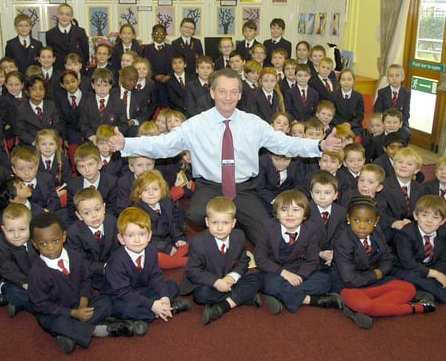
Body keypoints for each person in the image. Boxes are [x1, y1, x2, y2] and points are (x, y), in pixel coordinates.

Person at [108, 68, 343, 246]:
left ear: (240, 94)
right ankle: (227, 223)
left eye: (233, 92)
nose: (227, 97)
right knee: (196, 214)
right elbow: (164, 144)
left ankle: (234, 222)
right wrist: (126, 144)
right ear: (212, 93)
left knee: (264, 233)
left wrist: (320, 145)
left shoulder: (253, 124)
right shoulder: (197, 124)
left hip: (244, 187)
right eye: (222, 91)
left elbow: (285, 144)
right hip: (210, 185)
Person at [28, 212, 144, 354]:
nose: (50, 247)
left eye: (55, 241)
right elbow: (41, 306)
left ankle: (70, 335)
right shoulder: (37, 273)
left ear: (63, 237)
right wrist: (73, 313)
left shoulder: (75, 256)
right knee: (56, 323)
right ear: (34, 244)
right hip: (58, 312)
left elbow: (85, 280)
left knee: (106, 301)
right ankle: (102, 330)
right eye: (43, 244)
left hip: (79, 304)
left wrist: (83, 303)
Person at [335, 196, 436, 330]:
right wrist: (377, 273)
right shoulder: (343, 241)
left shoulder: (376, 232)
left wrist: (378, 273)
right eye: (357, 220)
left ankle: (357, 310)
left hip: (372, 281)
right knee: (364, 304)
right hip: (349, 285)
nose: (362, 226)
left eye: (368, 221)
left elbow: (387, 259)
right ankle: (413, 308)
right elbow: (349, 279)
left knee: (409, 289)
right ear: (348, 219)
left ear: (376, 221)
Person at [254, 190, 342, 314]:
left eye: (296, 210)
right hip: (275, 271)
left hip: (298, 269)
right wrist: (284, 273)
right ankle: (313, 300)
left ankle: (281, 295)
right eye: (284, 210)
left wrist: (300, 276)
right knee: (269, 283)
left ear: (305, 214)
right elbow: (260, 258)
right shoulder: (268, 227)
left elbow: (312, 260)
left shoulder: (310, 228)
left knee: (324, 281)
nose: (290, 214)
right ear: (277, 214)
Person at [102, 207, 192, 324]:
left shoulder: (151, 250)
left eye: (142, 234)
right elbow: (123, 292)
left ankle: (160, 307)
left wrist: (164, 296)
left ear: (149, 236)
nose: (137, 240)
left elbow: (156, 276)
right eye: (131, 235)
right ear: (121, 239)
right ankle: (161, 310)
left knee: (172, 286)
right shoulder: (117, 261)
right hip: (120, 296)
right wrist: (151, 304)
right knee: (127, 309)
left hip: (142, 289)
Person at [180, 196, 261, 325]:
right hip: (209, 282)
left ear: (233, 223)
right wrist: (216, 282)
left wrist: (232, 277)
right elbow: (192, 271)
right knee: (200, 295)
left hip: (229, 279)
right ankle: (243, 297)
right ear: (207, 222)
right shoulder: (198, 243)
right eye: (215, 223)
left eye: (225, 223)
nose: (220, 228)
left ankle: (223, 306)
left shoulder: (239, 236)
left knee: (256, 279)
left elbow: (243, 261)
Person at [393, 195, 446, 304]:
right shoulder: (406, 233)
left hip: (429, 266)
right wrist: (435, 274)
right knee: (411, 277)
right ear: (416, 215)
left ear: (442, 221)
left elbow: (444, 259)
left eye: (435, 217)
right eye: (424, 215)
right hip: (406, 268)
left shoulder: (442, 233)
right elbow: (409, 264)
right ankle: (445, 291)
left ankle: (426, 290)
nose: (429, 221)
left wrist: (437, 272)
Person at [130, 170, 188, 269]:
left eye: (155, 189)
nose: (151, 193)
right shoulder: (137, 212)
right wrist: (165, 248)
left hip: (168, 239)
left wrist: (178, 237)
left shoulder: (167, 202)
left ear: (161, 192)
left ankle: (175, 256)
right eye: (145, 190)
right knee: (155, 258)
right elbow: (143, 237)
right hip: (151, 244)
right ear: (139, 194)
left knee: (191, 243)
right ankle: (180, 261)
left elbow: (174, 222)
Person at [67, 187, 119, 290]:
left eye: (97, 209)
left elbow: (118, 248)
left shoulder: (112, 222)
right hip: (89, 276)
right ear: (79, 215)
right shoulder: (73, 233)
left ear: (104, 208)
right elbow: (81, 262)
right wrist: (105, 268)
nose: (94, 215)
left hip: (114, 268)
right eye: (87, 213)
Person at [0, 203, 39, 317]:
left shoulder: (37, 237)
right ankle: (44, 311)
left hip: (38, 278)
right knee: (12, 292)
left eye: (22, 229)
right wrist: (25, 283)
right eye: (10, 231)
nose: (16, 235)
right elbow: (7, 269)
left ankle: (20, 304)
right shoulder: (0, 244)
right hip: (15, 281)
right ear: (3, 229)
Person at [67, 143, 118, 221]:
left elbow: (113, 210)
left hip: (106, 222)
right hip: (83, 225)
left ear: (99, 165)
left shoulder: (112, 183)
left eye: (90, 164)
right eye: (82, 166)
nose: (87, 170)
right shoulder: (73, 186)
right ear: (77, 168)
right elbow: (72, 212)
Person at [79, 68, 128, 142]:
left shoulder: (119, 103)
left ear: (110, 85)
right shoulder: (86, 103)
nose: (102, 89)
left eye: (105, 85)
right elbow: (83, 125)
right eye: (98, 85)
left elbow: (124, 125)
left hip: (112, 140)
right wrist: (92, 137)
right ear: (93, 85)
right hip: (92, 140)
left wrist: (111, 136)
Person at [308, 171, 345, 268]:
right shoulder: (304, 212)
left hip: (333, 257)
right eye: (317, 192)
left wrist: (333, 253)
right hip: (309, 257)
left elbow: (340, 236)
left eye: (327, 192)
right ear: (311, 194)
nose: (322, 197)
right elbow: (303, 239)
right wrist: (319, 253)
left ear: (335, 195)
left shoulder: (341, 212)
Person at [382, 147, 424, 230]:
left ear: (417, 169)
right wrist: (394, 223)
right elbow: (380, 212)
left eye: (409, 164)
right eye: (400, 162)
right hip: (390, 228)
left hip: (412, 228)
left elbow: (421, 211)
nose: (403, 166)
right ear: (394, 165)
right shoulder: (384, 186)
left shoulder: (420, 188)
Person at [10, 145, 61, 212]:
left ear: (37, 166)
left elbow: (55, 202)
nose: (27, 173)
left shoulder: (47, 178)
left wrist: (47, 211)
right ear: (14, 169)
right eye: (21, 169)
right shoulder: (11, 186)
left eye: (31, 168)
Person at [16, 75, 62, 146]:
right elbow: (21, 131)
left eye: (41, 89)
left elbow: (57, 125)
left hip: (50, 142)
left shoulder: (51, 105)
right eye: (34, 89)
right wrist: (34, 142)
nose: (38, 92)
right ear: (27, 92)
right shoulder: (21, 109)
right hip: (31, 144)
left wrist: (48, 140)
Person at [112, 65, 154, 137]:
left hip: (132, 126)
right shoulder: (112, 93)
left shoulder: (141, 95)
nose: (132, 83)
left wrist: (133, 122)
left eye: (135, 80)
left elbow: (144, 115)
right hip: (116, 124)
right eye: (129, 79)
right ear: (122, 78)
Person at [46, 3, 90, 70]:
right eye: (61, 14)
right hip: (59, 71)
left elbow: (86, 53)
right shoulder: (50, 34)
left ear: (72, 17)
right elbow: (50, 54)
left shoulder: (80, 32)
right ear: (57, 15)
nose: (64, 17)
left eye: (67, 14)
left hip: (77, 71)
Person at [329, 68, 365, 137]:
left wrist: (350, 124)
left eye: (349, 79)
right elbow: (331, 114)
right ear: (339, 81)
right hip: (336, 124)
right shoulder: (332, 95)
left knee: (355, 135)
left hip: (353, 126)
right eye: (343, 79)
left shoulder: (358, 96)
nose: (346, 82)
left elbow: (360, 115)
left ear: (353, 81)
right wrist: (341, 124)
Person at [374, 64, 411, 129]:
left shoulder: (407, 93)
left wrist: (396, 123)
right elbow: (377, 110)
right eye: (391, 76)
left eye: (397, 75)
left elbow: (406, 114)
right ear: (387, 78)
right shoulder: (382, 92)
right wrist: (387, 122)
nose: (394, 78)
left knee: (406, 134)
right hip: (385, 122)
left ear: (402, 77)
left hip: (400, 123)